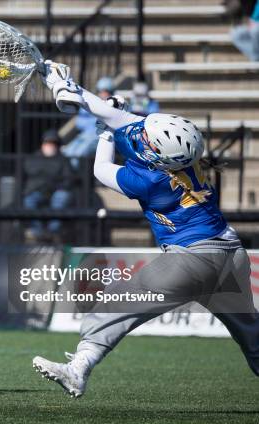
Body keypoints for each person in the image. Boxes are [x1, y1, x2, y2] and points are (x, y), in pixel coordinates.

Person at [31, 61, 259, 397]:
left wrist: (104, 129)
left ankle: (78, 368)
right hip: (231, 254)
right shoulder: (185, 155)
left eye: (150, 140)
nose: (145, 135)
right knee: (253, 339)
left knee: (114, 304)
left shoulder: (152, 181)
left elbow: (101, 169)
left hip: (191, 260)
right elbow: (128, 120)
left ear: (159, 154)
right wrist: (72, 89)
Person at [23, 129, 74, 242]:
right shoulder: (34, 158)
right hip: (37, 191)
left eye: (53, 144)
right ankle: (38, 233)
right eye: (48, 143)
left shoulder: (63, 160)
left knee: (61, 197)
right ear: (43, 144)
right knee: (29, 200)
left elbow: (68, 178)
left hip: (56, 191)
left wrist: (58, 186)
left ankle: (53, 231)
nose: (50, 146)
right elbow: (29, 174)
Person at [63, 76, 115, 168]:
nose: (104, 94)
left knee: (78, 154)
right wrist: (96, 122)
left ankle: (74, 177)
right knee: (66, 151)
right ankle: (69, 175)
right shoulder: (91, 103)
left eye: (107, 91)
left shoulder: (117, 105)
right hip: (84, 136)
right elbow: (79, 122)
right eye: (101, 91)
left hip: (99, 138)